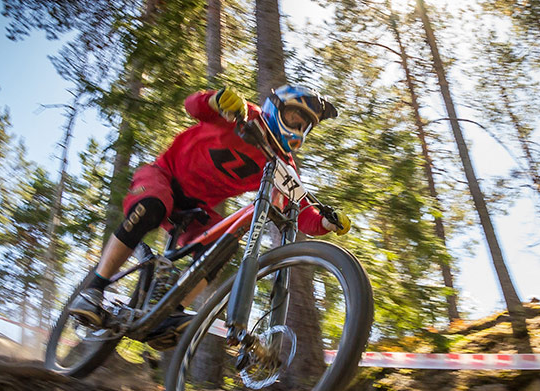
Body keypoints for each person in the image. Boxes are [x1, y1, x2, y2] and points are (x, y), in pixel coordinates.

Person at [67, 85, 351, 343]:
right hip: (161, 176)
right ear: (275, 107)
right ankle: (93, 289)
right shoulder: (244, 114)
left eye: (304, 125)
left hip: (196, 209)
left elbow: (298, 209)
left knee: (223, 247)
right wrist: (216, 101)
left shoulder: (282, 166)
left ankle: (169, 312)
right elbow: (193, 105)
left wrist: (326, 222)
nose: (298, 128)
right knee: (153, 205)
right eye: (293, 118)